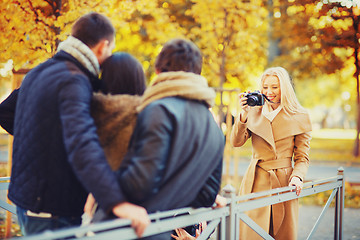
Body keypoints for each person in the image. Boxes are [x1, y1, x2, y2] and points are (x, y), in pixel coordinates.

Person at [8, 12, 149, 237]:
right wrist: (117, 202)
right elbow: (82, 143)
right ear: (103, 46)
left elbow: (7, 113)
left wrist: (46, 140)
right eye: (110, 49)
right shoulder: (73, 80)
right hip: (52, 208)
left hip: (26, 202)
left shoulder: (40, 71)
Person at [94, 38, 225, 240]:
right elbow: (207, 195)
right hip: (167, 232)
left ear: (157, 71)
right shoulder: (213, 126)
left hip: (130, 231)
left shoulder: (158, 110)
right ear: (198, 73)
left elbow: (139, 185)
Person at [230, 67, 312, 240]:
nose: (269, 92)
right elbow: (236, 142)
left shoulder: (300, 115)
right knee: (252, 233)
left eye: (274, 87)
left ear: (285, 87)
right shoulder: (254, 111)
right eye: (265, 87)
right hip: (255, 181)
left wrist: (297, 177)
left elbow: (302, 157)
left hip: (284, 182)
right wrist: (244, 114)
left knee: (281, 232)